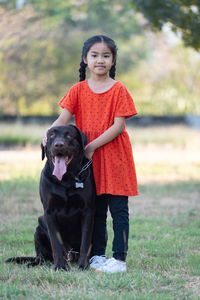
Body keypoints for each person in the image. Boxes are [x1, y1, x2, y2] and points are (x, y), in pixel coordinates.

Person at [43, 35, 139, 274]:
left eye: (106, 56)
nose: (100, 60)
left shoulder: (119, 89)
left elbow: (118, 126)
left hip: (114, 157)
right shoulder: (77, 90)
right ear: (85, 59)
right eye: (94, 55)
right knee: (95, 210)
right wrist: (47, 135)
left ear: (113, 60)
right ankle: (97, 255)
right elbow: (62, 120)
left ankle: (119, 259)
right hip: (87, 162)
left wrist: (91, 146)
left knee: (118, 210)